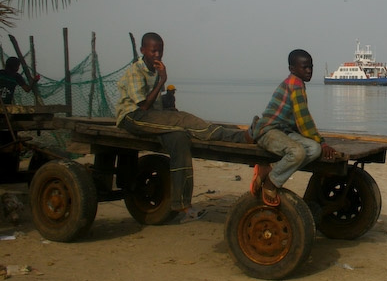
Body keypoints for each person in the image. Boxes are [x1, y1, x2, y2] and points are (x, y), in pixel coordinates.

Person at [115, 32, 253, 222]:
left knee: (179, 139)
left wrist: (167, 102)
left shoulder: (153, 71)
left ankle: (182, 205)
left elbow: (154, 105)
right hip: (133, 117)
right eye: (153, 51)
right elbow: (144, 106)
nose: (157, 55)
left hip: (150, 116)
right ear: (142, 50)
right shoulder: (135, 71)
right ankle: (241, 136)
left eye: (160, 51)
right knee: (185, 120)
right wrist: (162, 80)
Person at [249, 49, 341, 207]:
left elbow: (300, 121)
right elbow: (304, 120)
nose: (309, 70)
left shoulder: (298, 84)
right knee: (298, 152)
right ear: (292, 69)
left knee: (314, 149)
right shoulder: (295, 85)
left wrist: (318, 144)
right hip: (267, 131)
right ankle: (271, 182)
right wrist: (322, 142)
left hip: (284, 131)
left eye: (311, 67)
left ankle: (268, 170)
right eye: (305, 67)